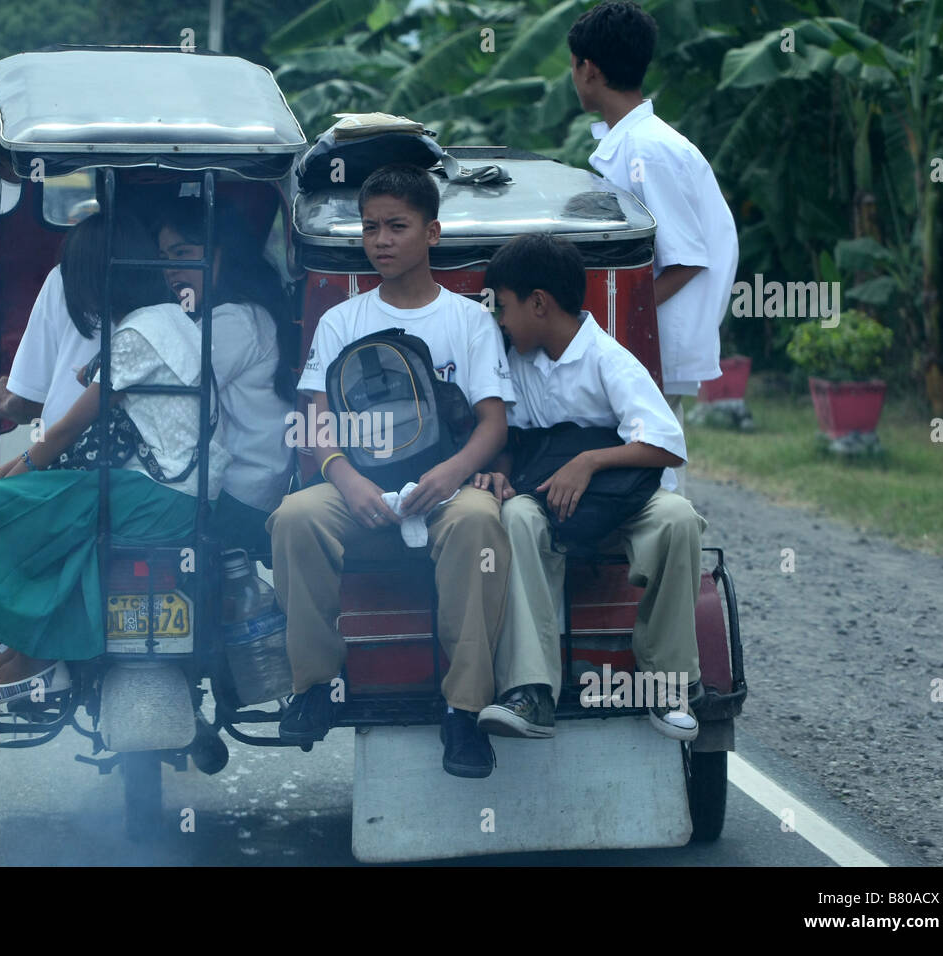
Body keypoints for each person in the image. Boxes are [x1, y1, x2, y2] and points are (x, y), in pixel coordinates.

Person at [267, 163, 515, 779]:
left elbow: (493, 423)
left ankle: (463, 710)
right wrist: (343, 477)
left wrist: (454, 474)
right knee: (294, 518)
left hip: (444, 488)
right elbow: (317, 419)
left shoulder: (468, 321)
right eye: (371, 227)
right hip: (358, 487)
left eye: (397, 227)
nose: (380, 240)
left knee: (481, 522)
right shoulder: (341, 322)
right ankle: (315, 685)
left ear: (432, 233)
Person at [0, 213, 230, 703]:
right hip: (170, 490)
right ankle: (29, 648)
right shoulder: (167, 319)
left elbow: (64, 430)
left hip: (160, 497)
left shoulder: (137, 335)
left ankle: (37, 655)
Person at [472, 234, 707, 742]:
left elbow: (666, 445)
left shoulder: (607, 358)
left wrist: (590, 461)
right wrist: (503, 474)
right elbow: (511, 435)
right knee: (514, 516)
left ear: (539, 303)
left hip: (623, 498)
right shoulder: (516, 362)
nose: (500, 320)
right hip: (549, 501)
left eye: (505, 307)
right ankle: (532, 692)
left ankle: (667, 685)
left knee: (680, 519)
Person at [567, 0, 738, 495]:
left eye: (573, 66)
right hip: (646, 336)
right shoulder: (632, 142)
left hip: (656, 338)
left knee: (655, 474)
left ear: (589, 69)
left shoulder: (649, 150)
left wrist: (609, 314)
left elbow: (685, 259)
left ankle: (662, 568)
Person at [154, 199, 295, 554]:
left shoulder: (234, 320)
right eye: (165, 259)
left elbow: (167, 387)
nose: (171, 270)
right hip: (245, 489)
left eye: (183, 253)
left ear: (221, 254)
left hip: (241, 495)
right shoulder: (226, 315)